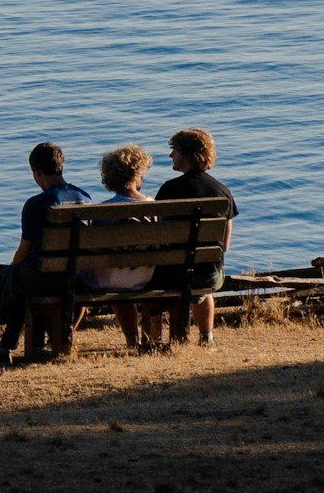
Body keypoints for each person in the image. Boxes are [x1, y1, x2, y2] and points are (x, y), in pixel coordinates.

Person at [0, 142, 89, 364]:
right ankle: (5, 345)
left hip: (39, 278)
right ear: (60, 166)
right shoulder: (84, 198)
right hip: (72, 277)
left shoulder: (36, 204)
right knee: (19, 278)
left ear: (36, 171)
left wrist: (8, 272)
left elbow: (22, 254)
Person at [150, 127, 238, 346]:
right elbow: (224, 243)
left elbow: (158, 233)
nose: (171, 156)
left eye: (175, 151)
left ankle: (154, 339)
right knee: (201, 288)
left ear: (187, 155)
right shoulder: (221, 190)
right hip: (209, 273)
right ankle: (206, 337)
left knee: (154, 280)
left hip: (172, 273)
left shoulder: (170, 190)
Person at [78, 143, 162, 348]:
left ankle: (132, 340)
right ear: (139, 175)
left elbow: (93, 250)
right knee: (122, 278)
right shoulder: (156, 209)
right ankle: (142, 340)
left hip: (107, 278)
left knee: (113, 277)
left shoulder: (103, 211)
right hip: (145, 275)